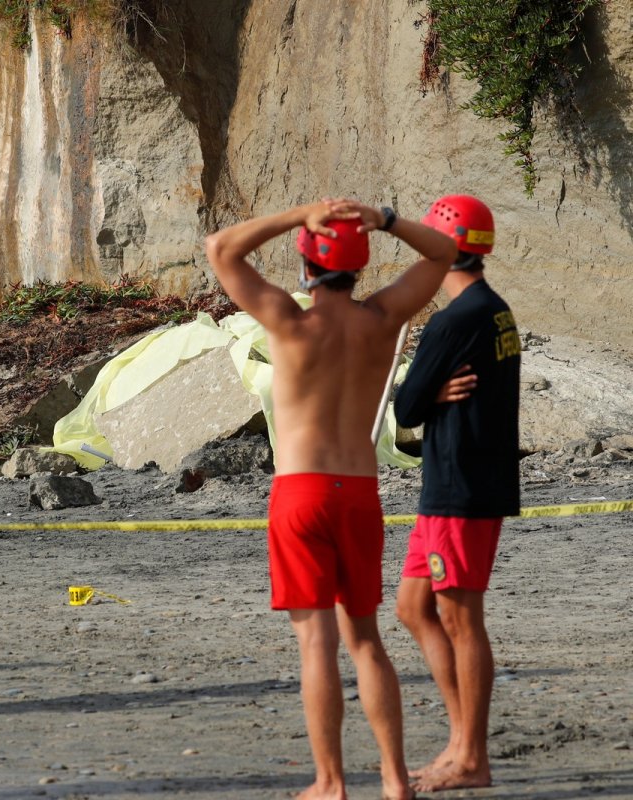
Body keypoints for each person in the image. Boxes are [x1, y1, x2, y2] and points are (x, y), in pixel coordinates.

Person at [205, 199, 457, 800]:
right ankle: (395, 779)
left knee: (316, 641)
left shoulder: (289, 322)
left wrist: (300, 215)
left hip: (301, 490)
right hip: (359, 491)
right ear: (359, 266)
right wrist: (386, 219)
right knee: (365, 639)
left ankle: (331, 781)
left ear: (306, 265)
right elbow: (445, 253)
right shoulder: (382, 319)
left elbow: (222, 249)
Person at [393, 195, 519, 792]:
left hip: (461, 485)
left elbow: (408, 405)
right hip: (455, 481)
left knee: (460, 617)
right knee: (413, 609)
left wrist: (431, 392)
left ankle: (472, 755)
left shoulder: (454, 320)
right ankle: (459, 739)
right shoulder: (494, 310)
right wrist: (436, 391)